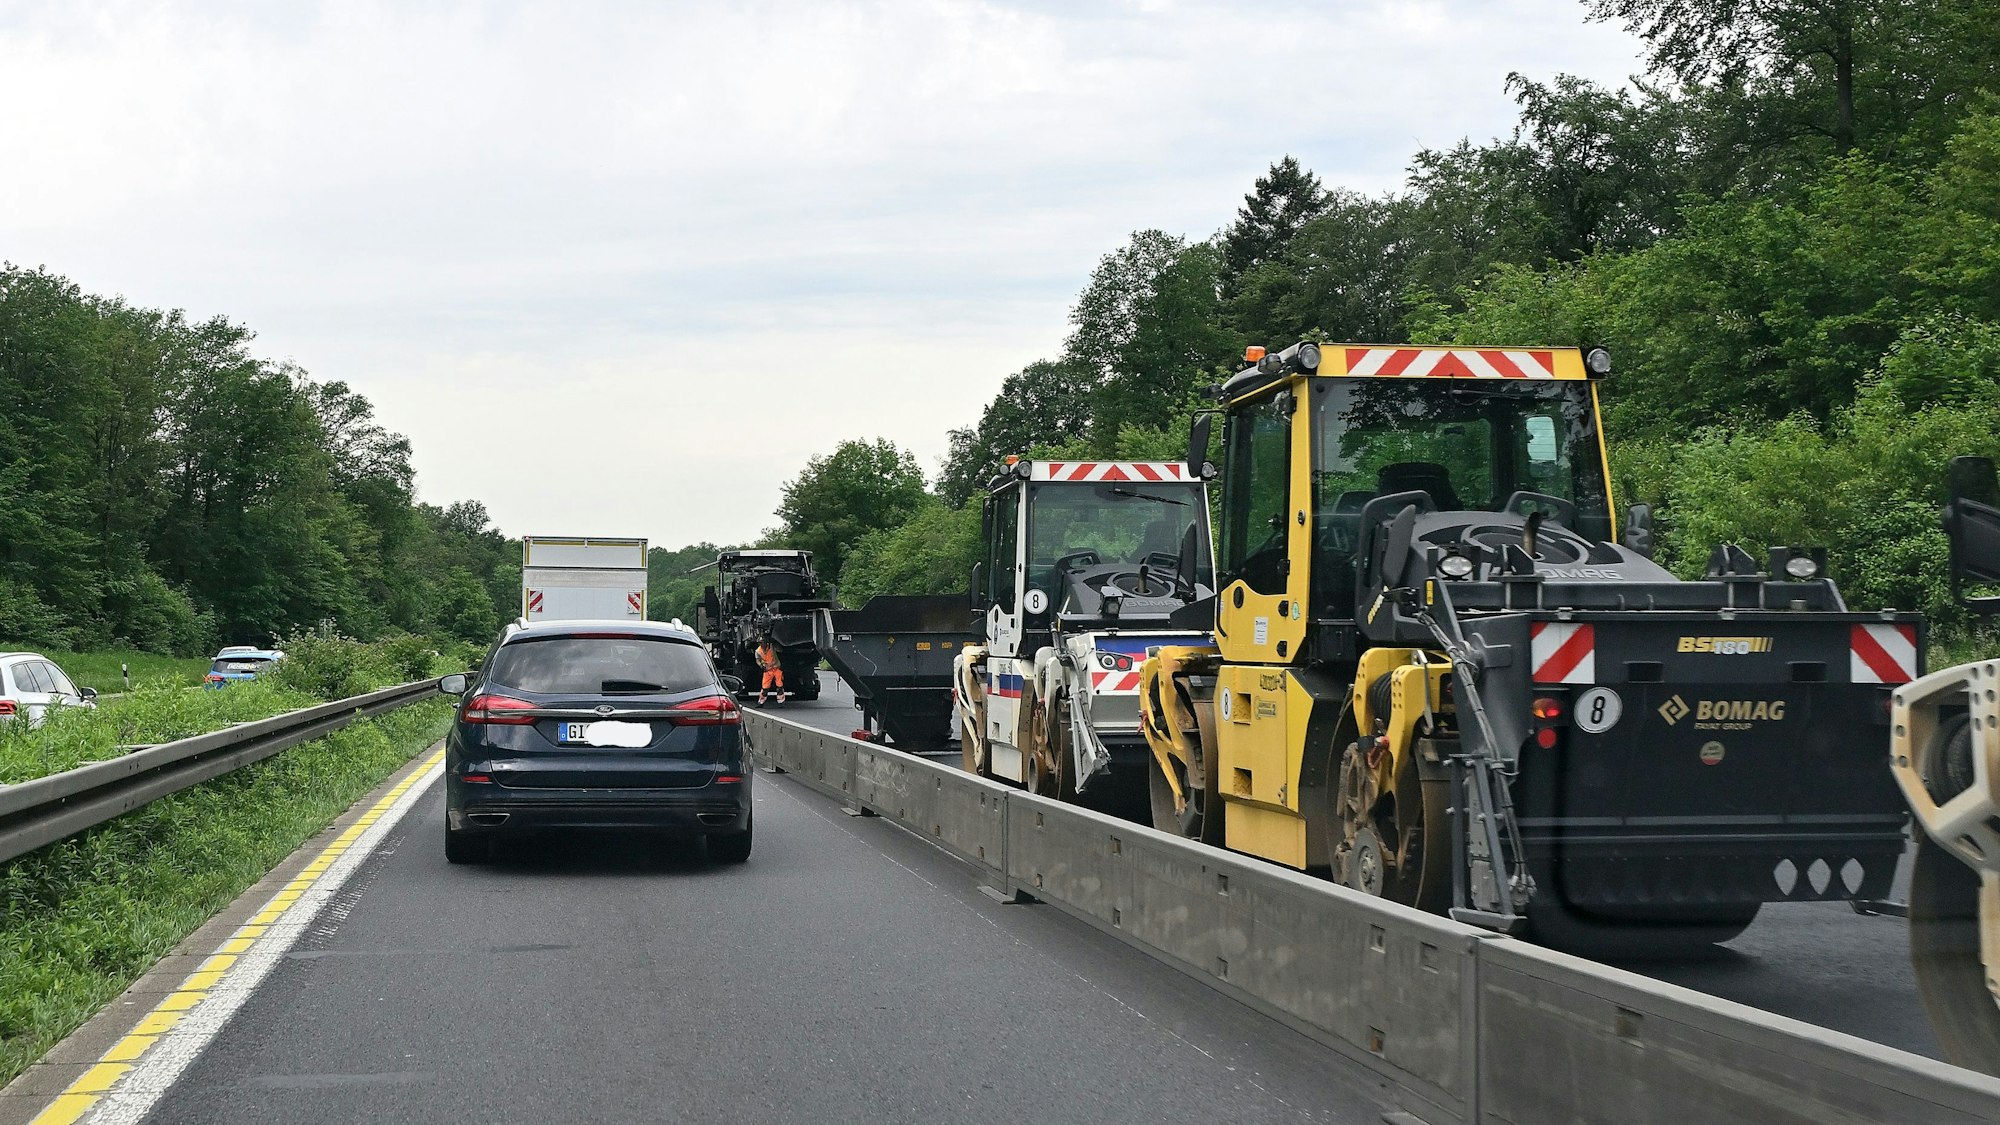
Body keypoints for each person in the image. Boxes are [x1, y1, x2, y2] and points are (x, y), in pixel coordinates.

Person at [755, 635, 786, 704]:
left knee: (779, 685)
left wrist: (775, 644)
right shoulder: (758, 651)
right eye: (760, 643)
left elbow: (780, 650)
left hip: (776, 668)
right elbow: (758, 660)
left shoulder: (772, 647)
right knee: (765, 687)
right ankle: (761, 701)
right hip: (768, 670)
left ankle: (781, 701)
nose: (762, 644)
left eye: (763, 642)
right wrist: (761, 666)